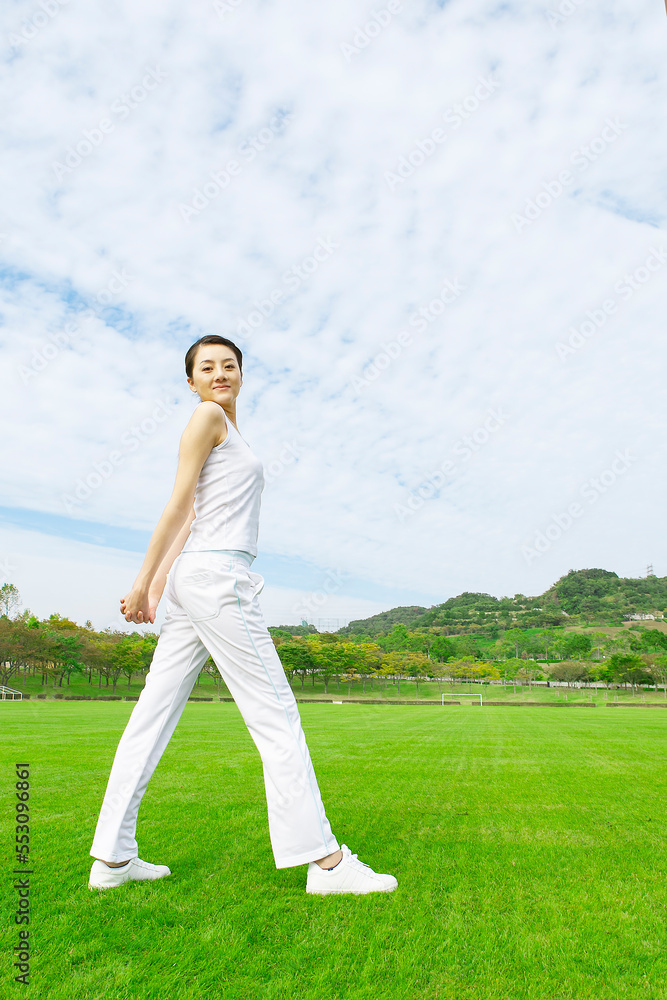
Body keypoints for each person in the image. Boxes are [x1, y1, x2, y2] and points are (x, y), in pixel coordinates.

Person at [88, 335, 397, 896]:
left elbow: (195, 517)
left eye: (229, 365)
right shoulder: (207, 417)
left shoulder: (226, 431)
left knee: (151, 717)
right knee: (276, 716)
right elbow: (178, 504)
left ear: (241, 374)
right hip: (219, 580)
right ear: (192, 382)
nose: (219, 373)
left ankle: (111, 860)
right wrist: (140, 583)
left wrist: (160, 587)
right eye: (207, 367)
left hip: (195, 578)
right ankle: (327, 865)